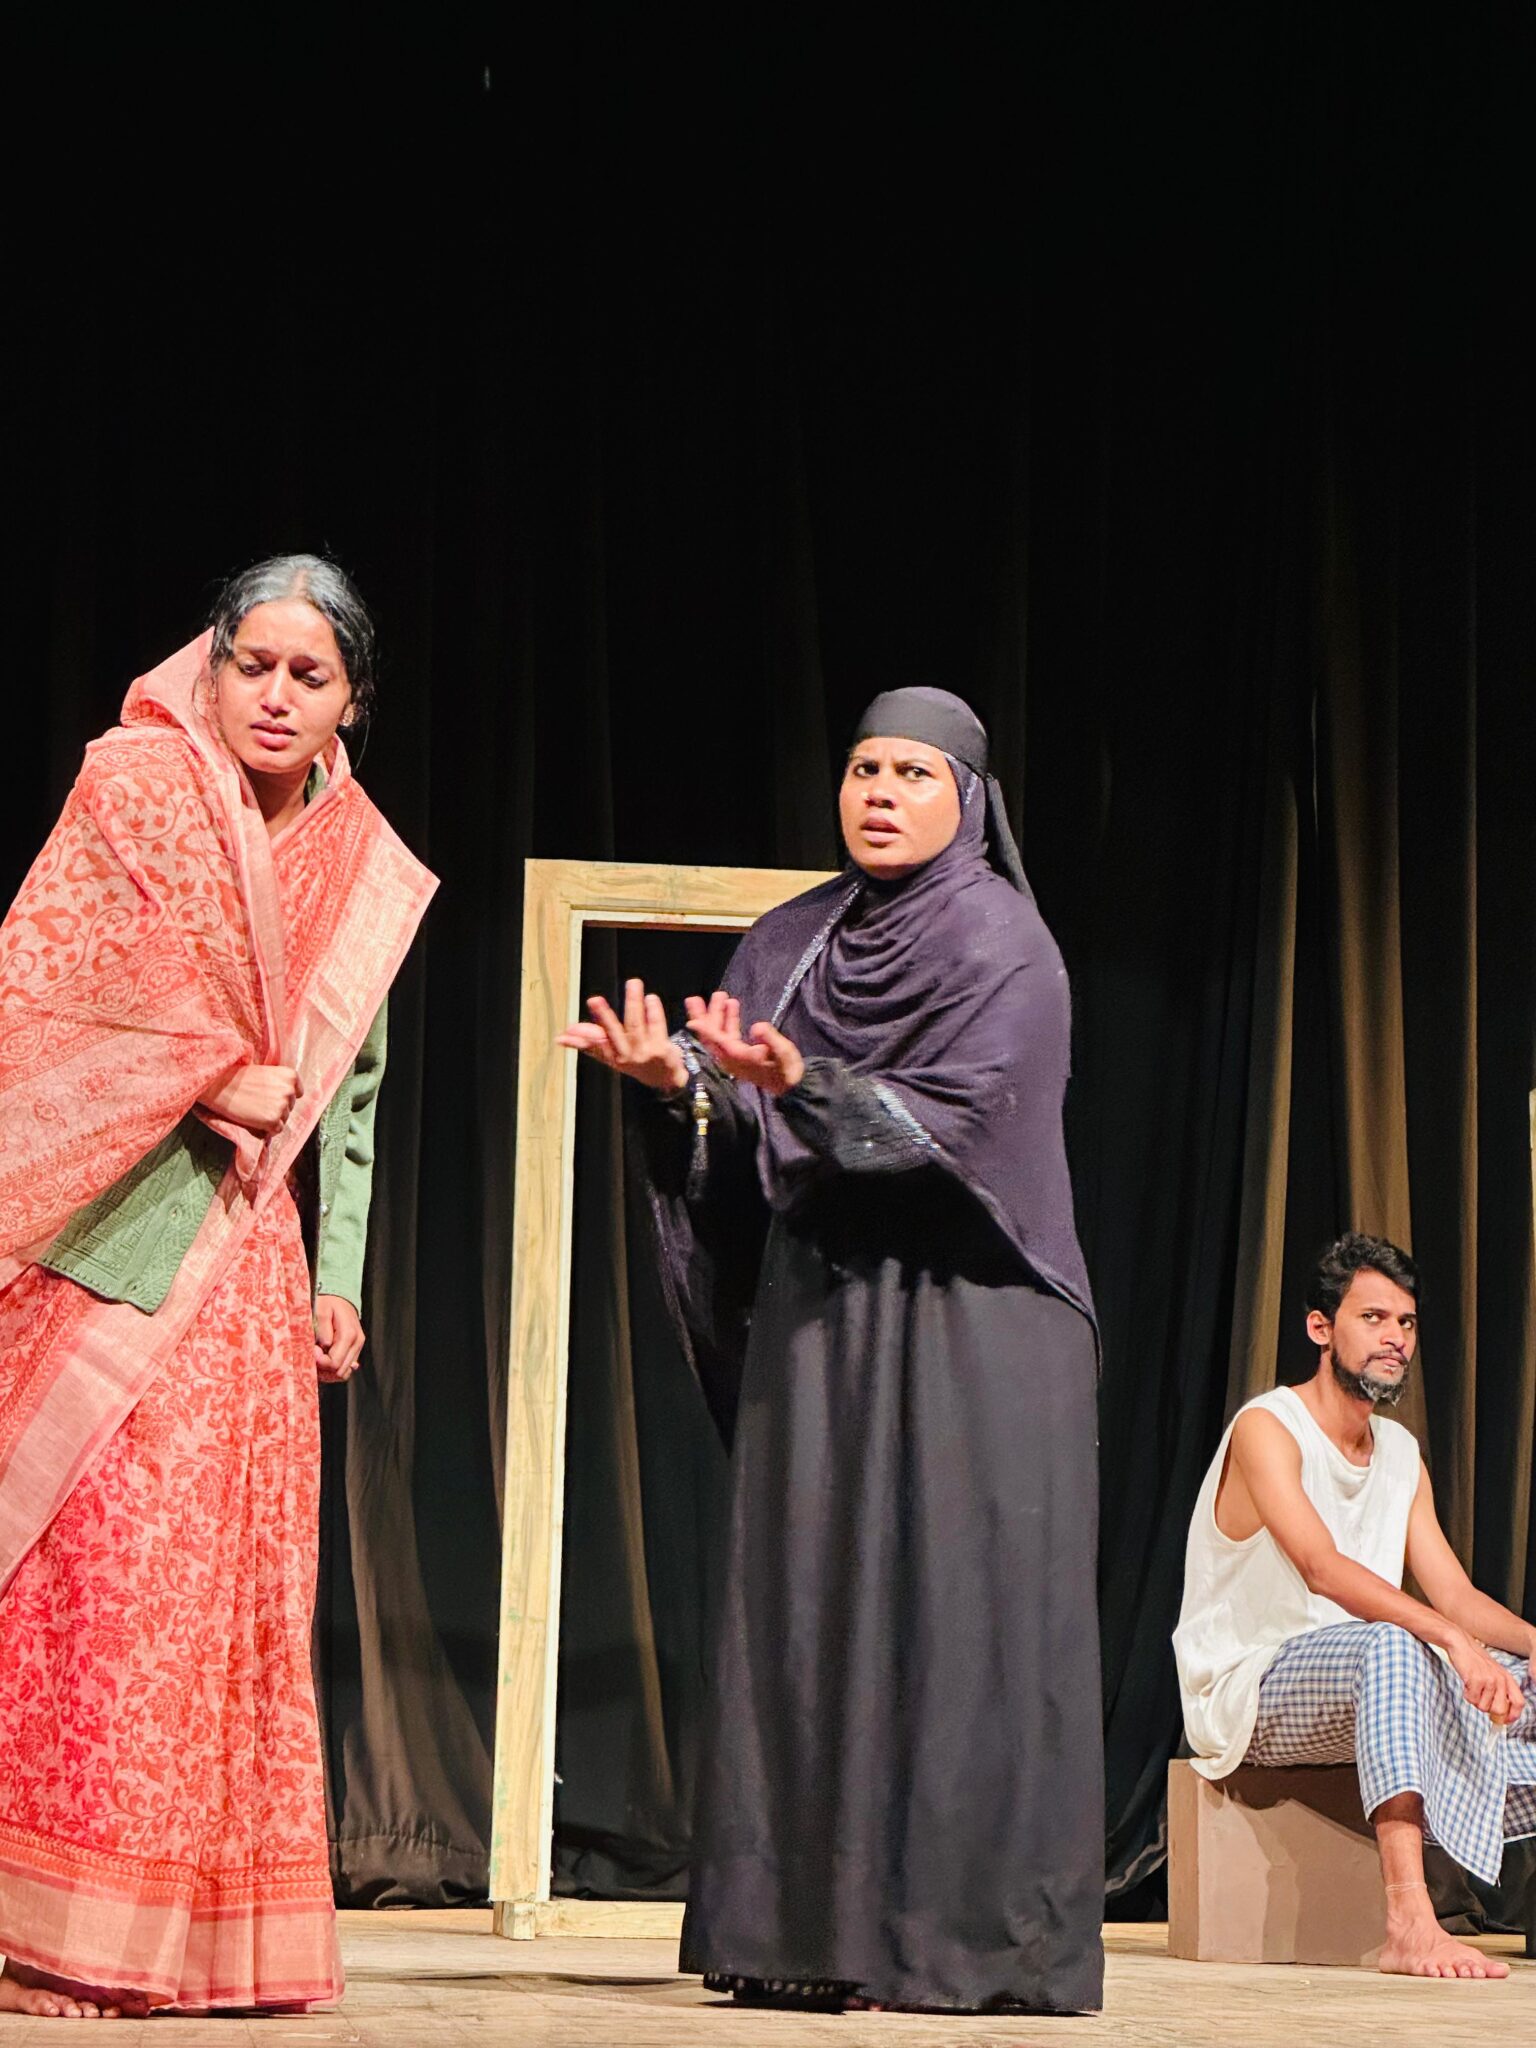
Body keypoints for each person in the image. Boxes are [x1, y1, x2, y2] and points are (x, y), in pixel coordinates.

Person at [560, 687, 1103, 2015]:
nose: (880, 793)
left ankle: (968, 1944)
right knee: (811, 1600)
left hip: (976, 1317)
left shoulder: (1007, 945)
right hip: (828, 1318)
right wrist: (680, 1089)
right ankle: (804, 1933)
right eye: (865, 769)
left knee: (958, 1614)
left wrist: (802, 1083)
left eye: (913, 773)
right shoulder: (790, 941)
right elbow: (747, 1129)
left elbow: (965, 1134)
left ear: (967, 799)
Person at [0, 556, 436, 2018]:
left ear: (350, 701)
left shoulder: (359, 863)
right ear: (214, 661)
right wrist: (203, 1072)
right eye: (255, 664)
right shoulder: (133, 791)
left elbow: (351, 1095)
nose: (276, 695)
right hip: (106, 1234)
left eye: (311, 676)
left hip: (251, 1256)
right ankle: (45, 1933)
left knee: (213, 1600)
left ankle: (178, 1944)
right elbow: (41, 991)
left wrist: (340, 1272)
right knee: (92, 1583)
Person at [1174, 1231, 1536, 1982]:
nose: (1395, 1338)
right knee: (1395, 1644)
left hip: (1368, 1680)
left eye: (1406, 1322)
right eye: (1373, 1318)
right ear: (1320, 1328)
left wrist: (1528, 1645)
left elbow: (1455, 1595)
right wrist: (1451, 1643)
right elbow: (1321, 1568)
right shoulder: (1268, 1427)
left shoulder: (1399, 1453)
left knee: (1522, 1673)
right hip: (1251, 1685)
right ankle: (1409, 1921)